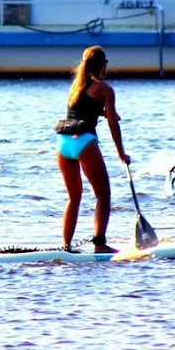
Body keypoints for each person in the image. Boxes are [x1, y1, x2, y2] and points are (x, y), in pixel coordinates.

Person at [55, 46, 130, 253]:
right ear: (103, 65)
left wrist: (105, 113)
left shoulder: (75, 86)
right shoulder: (105, 89)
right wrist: (121, 153)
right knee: (103, 195)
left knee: (74, 198)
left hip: (63, 143)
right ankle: (99, 244)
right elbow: (113, 125)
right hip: (84, 142)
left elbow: (82, 110)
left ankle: (66, 246)